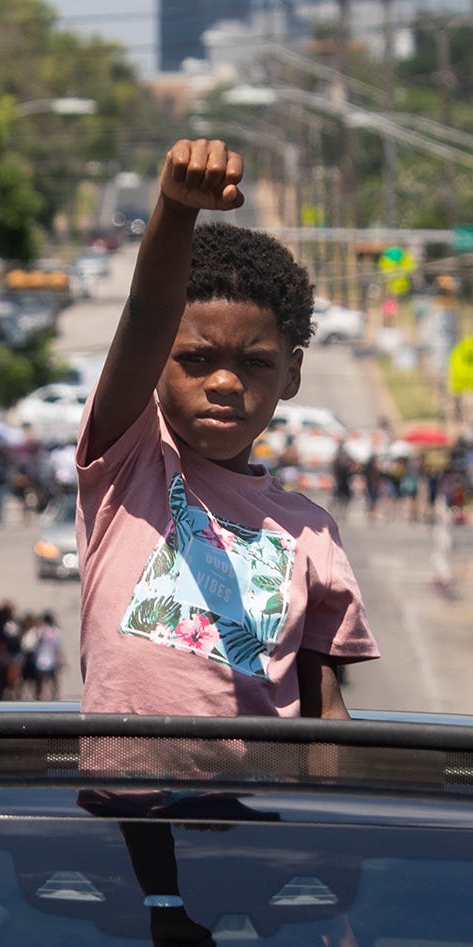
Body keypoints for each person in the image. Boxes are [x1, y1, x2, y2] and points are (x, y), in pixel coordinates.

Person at [74, 139, 377, 718]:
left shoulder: (310, 535)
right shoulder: (128, 464)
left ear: (291, 375)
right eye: (196, 358)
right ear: (159, 361)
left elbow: (325, 709)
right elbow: (146, 315)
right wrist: (176, 207)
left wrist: (344, 804)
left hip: (258, 807)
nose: (224, 383)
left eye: (254, 363)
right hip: (124, 804)